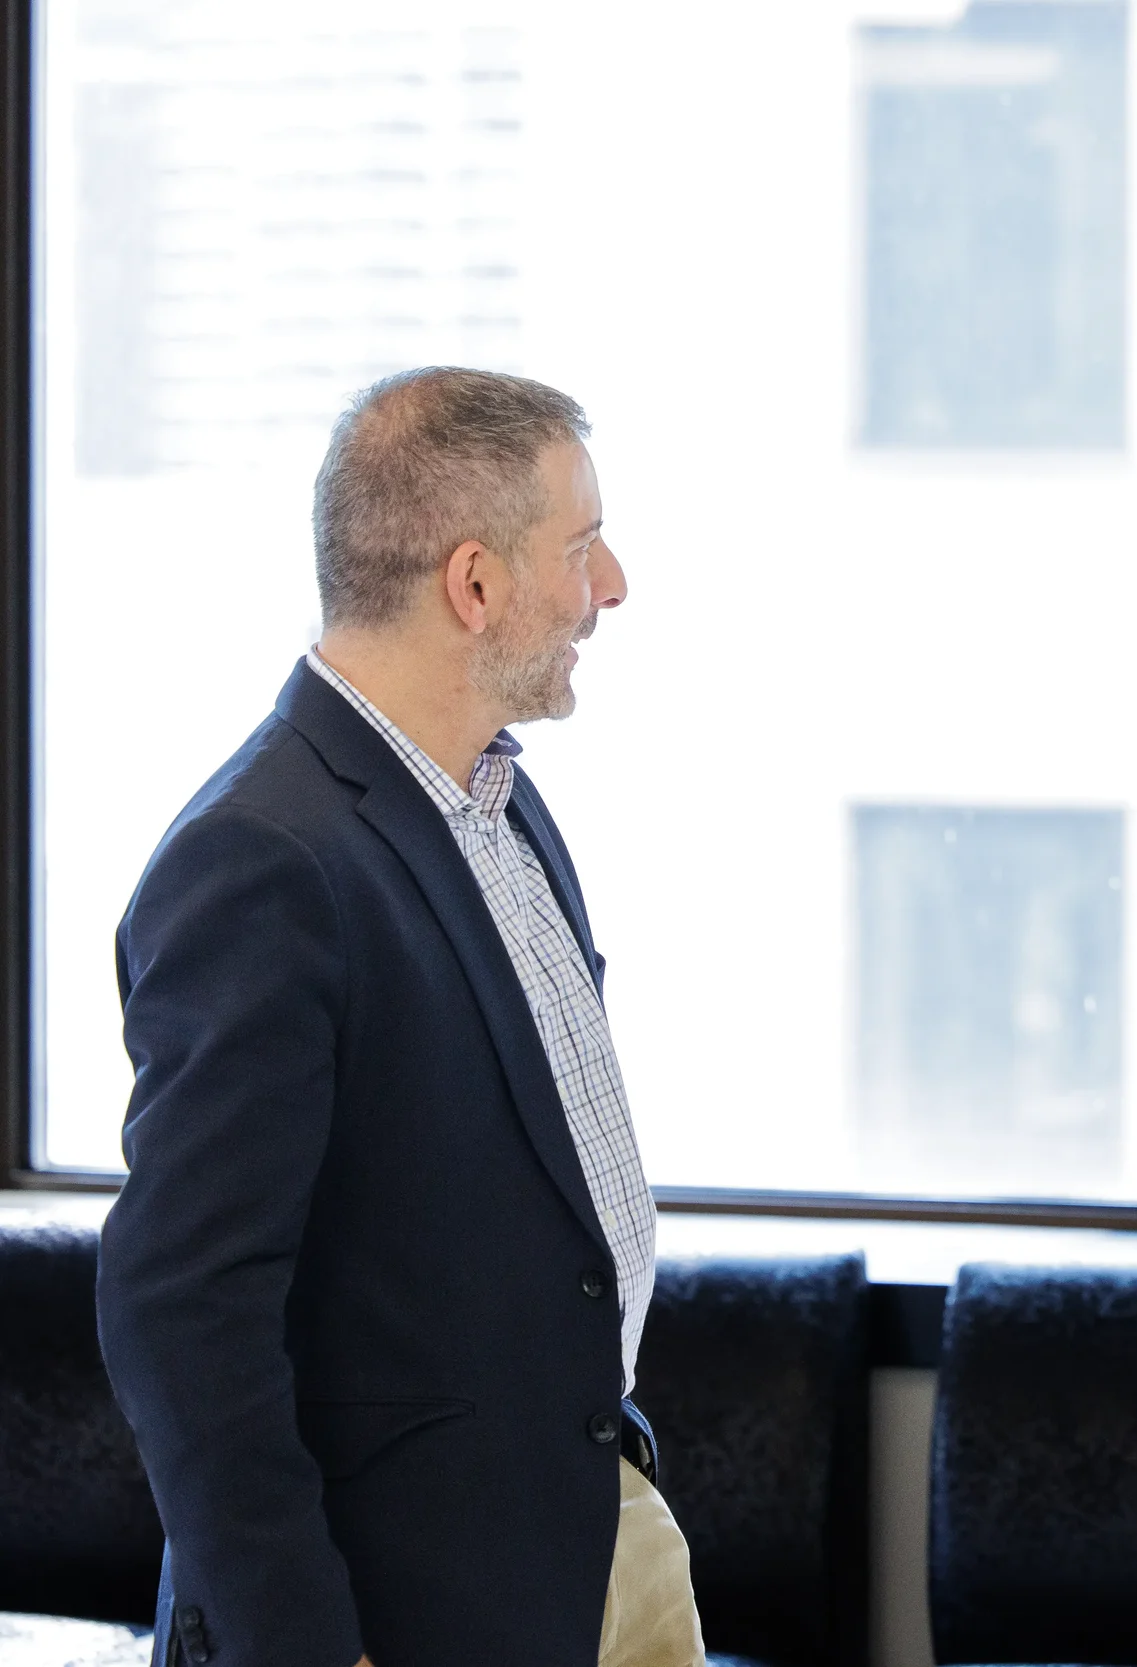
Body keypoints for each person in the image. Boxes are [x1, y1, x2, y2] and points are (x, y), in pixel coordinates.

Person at [96, 368, 702, 1667]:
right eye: (584, 545)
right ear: (474, 584)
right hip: (405, 1603)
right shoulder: (260, 861)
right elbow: (180, 1309)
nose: (615, 585)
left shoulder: (500, 799)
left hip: (591, 1531)